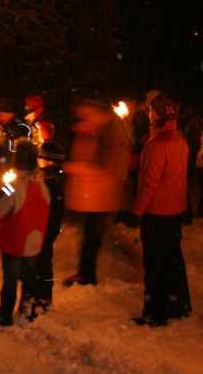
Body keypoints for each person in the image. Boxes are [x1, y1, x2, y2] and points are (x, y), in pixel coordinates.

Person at [130, 93, 191, 326]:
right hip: (175, 211)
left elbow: (149, 184)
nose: (148, 113)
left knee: (155, 264)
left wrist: (136, 210)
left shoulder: (158, 146)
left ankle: (155, 311)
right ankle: (178, 302)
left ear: (158, 115)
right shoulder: (179, 140)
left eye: (151, 111)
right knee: (173, 258)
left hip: (158, 213)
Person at [62, 99, 130, 286]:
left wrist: (75, 168)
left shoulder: (103, 130)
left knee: (92, 235)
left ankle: (87, 273)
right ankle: (85, 271)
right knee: (90, 234)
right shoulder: (91, 128)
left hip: (98, 195)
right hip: (91, 194)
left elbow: (105, 164)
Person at [0, 141, 51, 327]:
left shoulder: (12, 187)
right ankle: (27, 312)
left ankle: (4, 317)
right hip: (34, 243)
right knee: (29, 279)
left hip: (14, 242)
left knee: (10, 283)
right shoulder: (42, 187)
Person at [31, 141, 67, 316]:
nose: (38, 159)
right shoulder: (47, 180)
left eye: (41, 156)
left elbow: (48, 211)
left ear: (50, 161)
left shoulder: (49, 184)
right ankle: (43, 297)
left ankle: (39, 299)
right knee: (43, 265)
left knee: (39, 266)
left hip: (42, 232)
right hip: (44, 232)